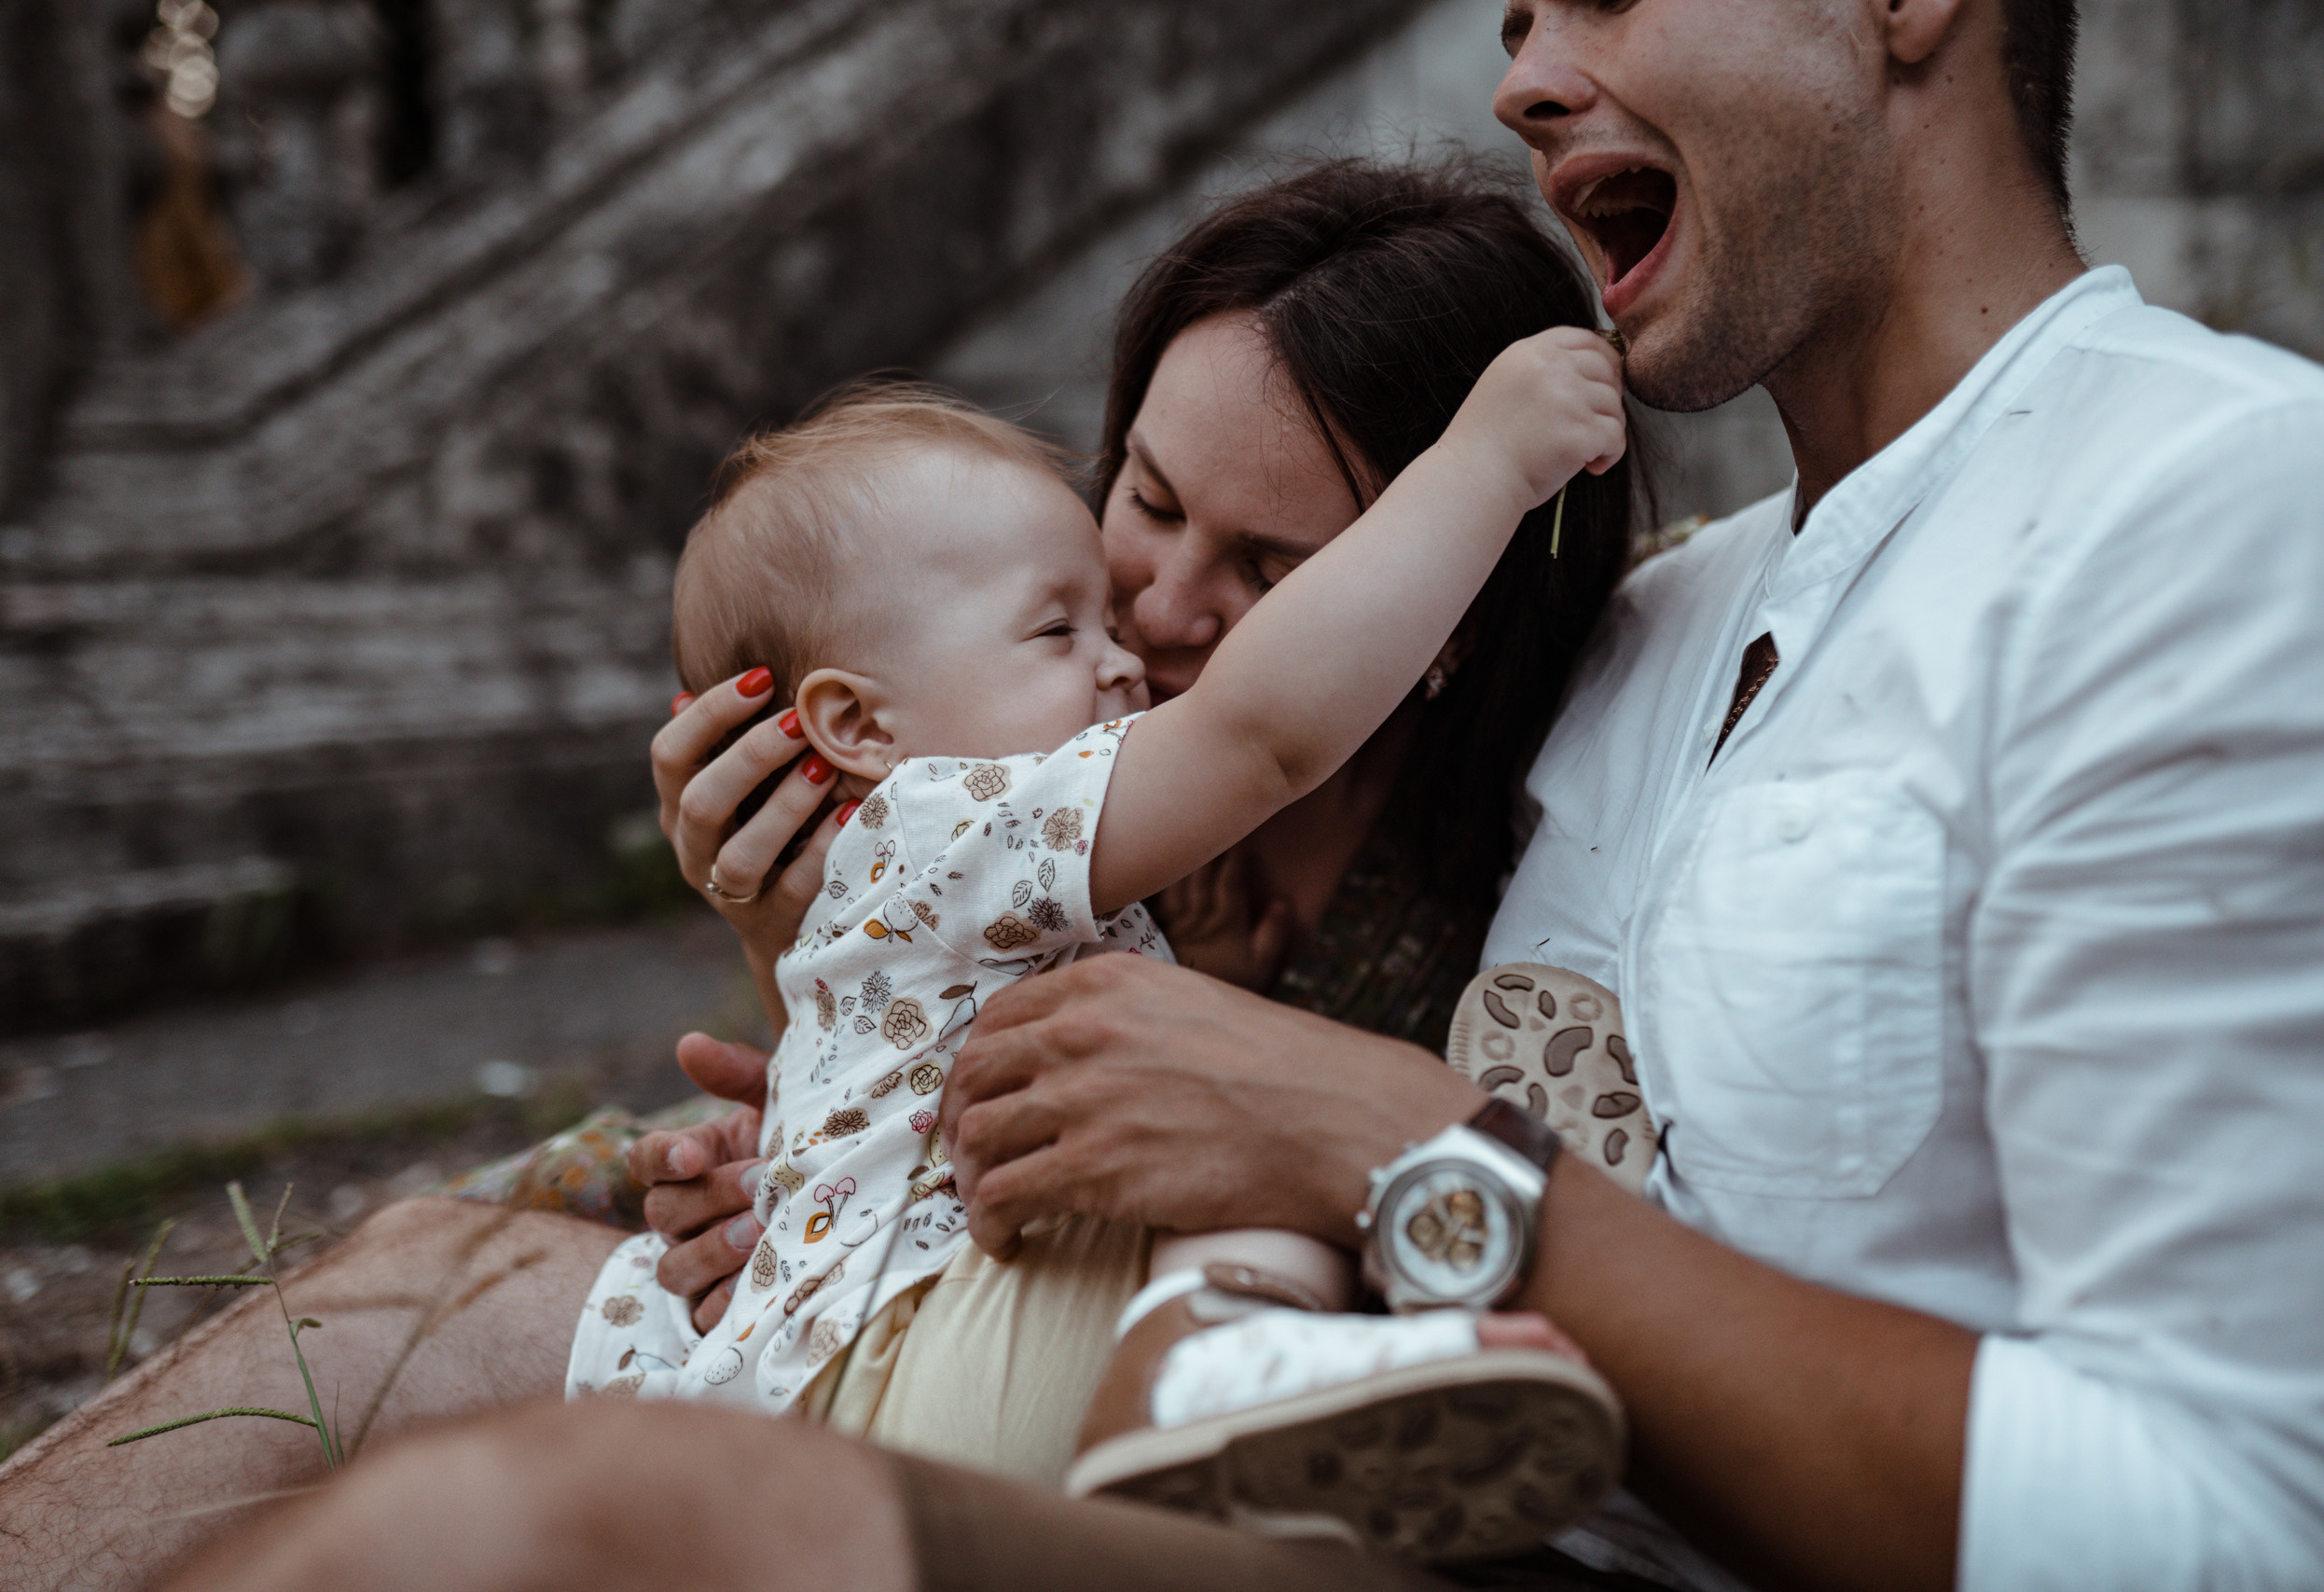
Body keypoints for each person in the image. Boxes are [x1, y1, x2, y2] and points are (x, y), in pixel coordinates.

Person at [136, 0, 2324, 1586]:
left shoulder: (2212, 502)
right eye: (1514, 8)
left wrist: (1380, 1142)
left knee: (538, 1529)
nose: (1515, 72)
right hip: (1201, 1376)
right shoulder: (1661, 622)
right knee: (415, 1279)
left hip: (1433, 1495)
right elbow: (1223, 886)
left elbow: (2259, 1527)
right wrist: (839, 1011)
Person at [0, 161, 1651, 1591]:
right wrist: (791, 1070)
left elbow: (1274, 755)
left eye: (1273, 568)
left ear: (1440, 609)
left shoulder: (1526, 882)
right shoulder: (1013, 786)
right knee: (433, 1270)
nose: (1147, 606)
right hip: (892, 1342)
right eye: (1141, 499)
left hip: (1118, 1445)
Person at [569, 370, 1634, 1561]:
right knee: (1256, 1134)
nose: (1128, 659)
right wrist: (1492, 457)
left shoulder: (918, 858)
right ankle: (1225, 1353)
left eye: (1105, 626)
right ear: (861, 727)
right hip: (942, 1358)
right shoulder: (940, 817)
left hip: (895, 1380)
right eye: (1056, 631)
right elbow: (1261, 736)